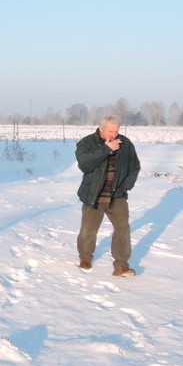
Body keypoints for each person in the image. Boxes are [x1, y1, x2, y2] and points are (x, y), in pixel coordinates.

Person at [75, 115, 141, 276]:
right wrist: (106, 149)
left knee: (123, 228)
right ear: (101, 128)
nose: (114, 135)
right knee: (88, 230)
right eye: (110, 131)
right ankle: (85, 257)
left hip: (117, 195)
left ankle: (121, 265)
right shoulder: (87, 143)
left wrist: (125, 187)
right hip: (94, 195)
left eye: (116, 131)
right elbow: (85, 164)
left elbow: (135, 167)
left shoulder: (126, 144)